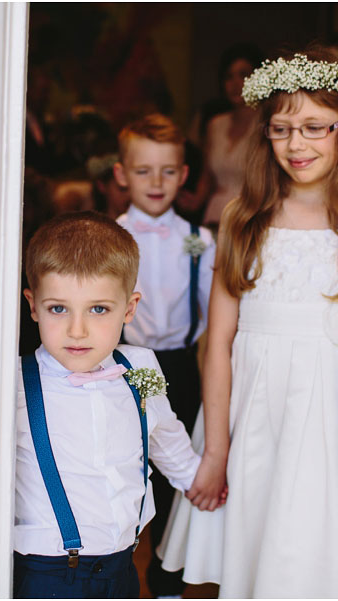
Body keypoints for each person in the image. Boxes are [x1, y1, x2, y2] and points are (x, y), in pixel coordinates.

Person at [157, 43, 338, 598]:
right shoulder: (242, 219)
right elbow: (215, 344)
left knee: (324, 563)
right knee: (251, 557)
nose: (297, 144)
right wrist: (217, 451)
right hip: (254, 421)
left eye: (316, 127)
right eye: (281, 128)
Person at [14, 212, 221, 599]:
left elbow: (167, 438)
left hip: (122, 567)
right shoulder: (14, 385)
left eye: (98, 309)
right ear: (33, 305)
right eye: (59, 308)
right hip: (46, 573)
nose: (78, 330)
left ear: (129, 308)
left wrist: (204, 483)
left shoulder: (140, 366)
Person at [111, 114, 217, 597]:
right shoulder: (107, 237)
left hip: (178, 366)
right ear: (121, 174)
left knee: (176, 466)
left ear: (185, 174)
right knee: (131, 466)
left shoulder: (199, 240)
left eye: (168, 171)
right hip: (125, 364)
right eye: (143, 171)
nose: (156, 183)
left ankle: (167, 579)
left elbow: (213, 313)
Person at [178, 43, 266, 230]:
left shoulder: (269, 123)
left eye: (243, 75)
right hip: (215, 215)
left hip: (251, 216)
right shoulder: (215, 124)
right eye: (228, 77)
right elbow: (207, 176)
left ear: (258, 77)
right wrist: (194, 201)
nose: (235, 84)